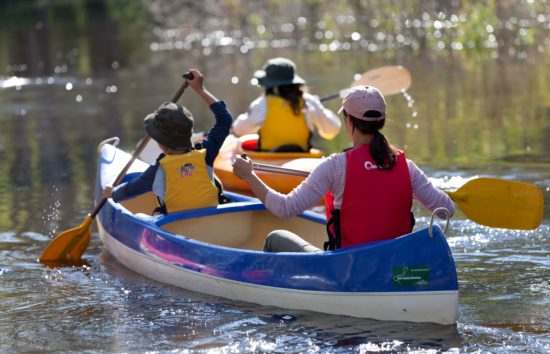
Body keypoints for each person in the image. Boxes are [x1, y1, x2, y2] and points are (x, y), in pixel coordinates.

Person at [232, 85, 455, 252]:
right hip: (395, 265)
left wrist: (249, 176)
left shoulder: (335, 166)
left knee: (275, 238)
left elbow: (284, 208)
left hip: (349, 268)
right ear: (382, 121)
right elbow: (446, 210)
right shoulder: (407, 167)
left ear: (349, 121)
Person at [103, 69, 233, 214]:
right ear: (189, 133)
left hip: (176, 227)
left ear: (160, 143)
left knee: (144, 214)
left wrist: (112, 193)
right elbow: (225, 119)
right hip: (213, 222)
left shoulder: (157, 170)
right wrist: (200, 89)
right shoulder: (207, 152)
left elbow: (129, 190)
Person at [231, 57, 341, 152]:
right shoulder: (310, 102)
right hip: (300, 159)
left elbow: (239, 129)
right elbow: (332, 130)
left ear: (271, 85)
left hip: (269, 161)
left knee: (238, 142)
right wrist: (320, 108)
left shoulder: (261, 104)